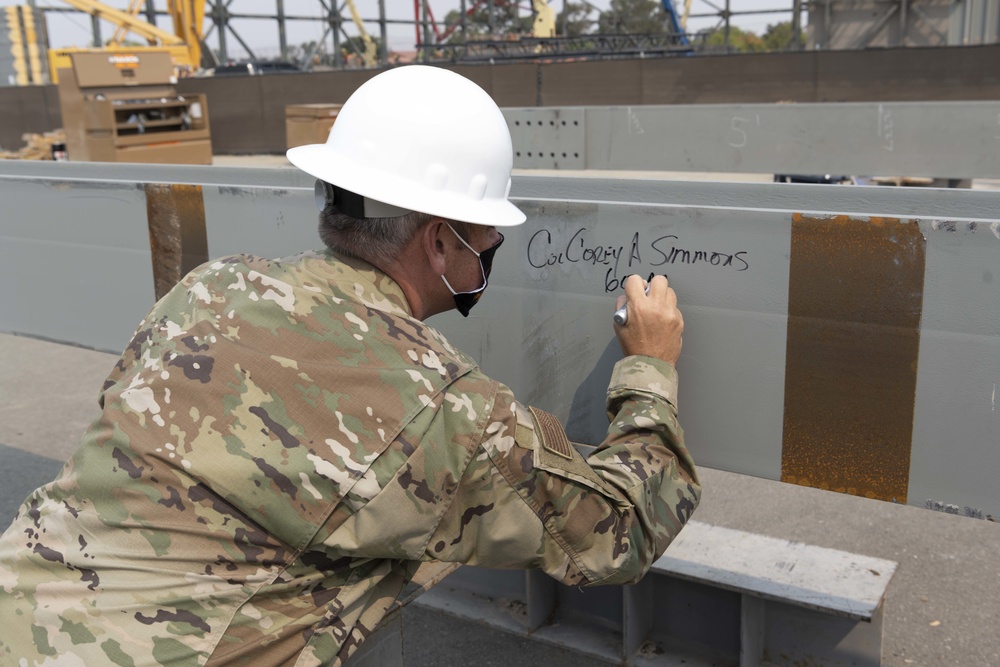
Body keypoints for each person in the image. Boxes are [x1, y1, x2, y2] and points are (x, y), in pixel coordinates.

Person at [0, 66, 700, 666]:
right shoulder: (440, 408)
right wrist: (650, 370)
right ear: (438, 242)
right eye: (487, 231)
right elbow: (621, 531)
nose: (491, 244)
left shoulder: (211, 287)